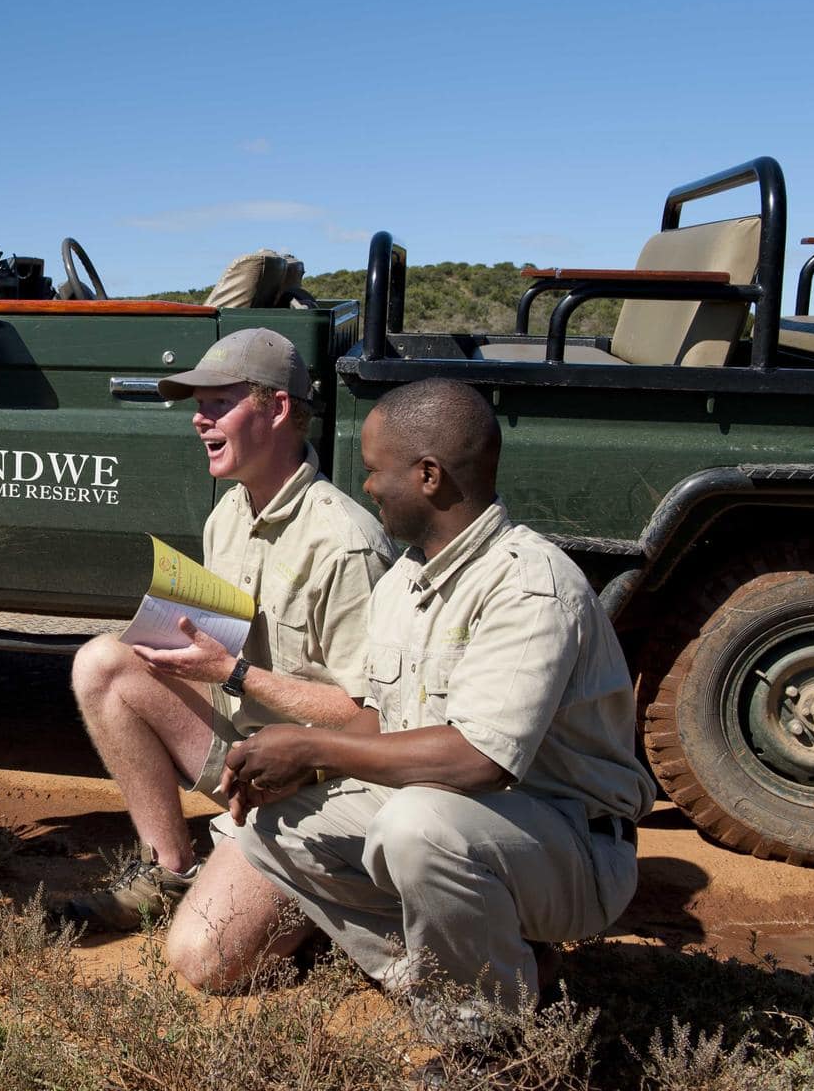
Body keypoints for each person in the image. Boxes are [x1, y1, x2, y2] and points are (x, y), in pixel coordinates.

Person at [173, 377, 654, 1038]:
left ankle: (483, 1039)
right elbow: (383, 716)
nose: (367, 486)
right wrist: (302, 771)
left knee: (417, 826)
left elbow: (478, 760)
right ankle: (466, 968)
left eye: (375, 470)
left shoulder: (528, 586)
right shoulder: (405, 581)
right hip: (456, 819)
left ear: (428, 475)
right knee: (276, 829)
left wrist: (311, 746)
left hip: (569, 844)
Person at [61, 328, 394, 931]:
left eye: (219, 402)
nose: (199, 419)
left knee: (207, 950)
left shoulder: (345, 543)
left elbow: (376, 716)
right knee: (103, 664)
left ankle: (332, 889)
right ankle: (171, 872)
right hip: (249, 750)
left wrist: (233, 672)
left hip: (319, 775)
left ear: (279, 408)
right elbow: (221, 651)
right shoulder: (228, 514)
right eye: (198, 404)